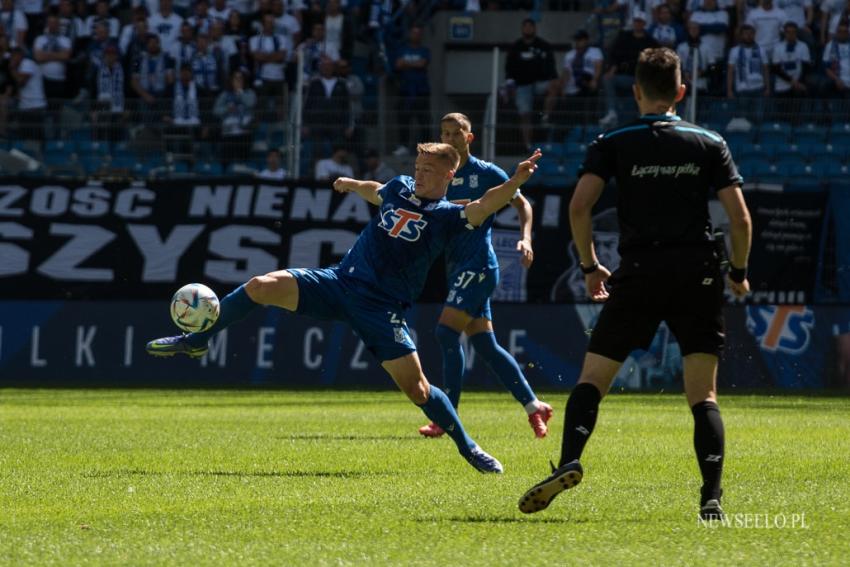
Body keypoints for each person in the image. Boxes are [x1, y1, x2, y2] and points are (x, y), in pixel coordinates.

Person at [146, 143, 544, 474]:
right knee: (260, 286)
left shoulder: (448, 217)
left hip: (382, 308)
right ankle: (197, 339)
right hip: (339, 282)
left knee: (418, 388)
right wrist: (352, 184)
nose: (418, 173)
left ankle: (468, 446)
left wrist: (517, 181)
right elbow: (377, 189)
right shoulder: (401, 188)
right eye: (417, 166)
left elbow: (486, 204)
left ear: (447, 177)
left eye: (427, 169)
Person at [517, 48, 752, 521]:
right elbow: (740, 218)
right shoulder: (708, 141)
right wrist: (738, 272)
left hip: (639, 273)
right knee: (702, 396)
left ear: (636, 91)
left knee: (592, 381)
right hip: (698, 273)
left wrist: (588, 266)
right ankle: (710, 497)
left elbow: (579, 206)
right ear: (681, 92)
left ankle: (569, 461)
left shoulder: (615, 140)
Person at [417, 113, 552, 439]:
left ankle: (445, 415)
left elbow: (523, 205)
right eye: (444, 133)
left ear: (469, 137)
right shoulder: (440, 176)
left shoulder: (486, 172)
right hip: (455, 268)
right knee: (485, 345)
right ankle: (534, 406)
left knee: (446, 334)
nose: (449, 138)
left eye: (456, 133)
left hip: (478, 266)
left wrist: (527, 238)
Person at [504, 18, 557, 151]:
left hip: (540, 83)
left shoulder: (543, 45)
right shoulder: (515, 47)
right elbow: (509, 68)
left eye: (530, 26)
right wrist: (511, 84)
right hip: (522, 86)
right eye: (525, 27)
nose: (528, 29)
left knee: (554, 86)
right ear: (522, 29)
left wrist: (553, 79)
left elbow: (552, 67)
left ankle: (545, 116)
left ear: (534, 28)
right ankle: (528, 146)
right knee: (524, 115)